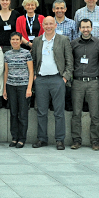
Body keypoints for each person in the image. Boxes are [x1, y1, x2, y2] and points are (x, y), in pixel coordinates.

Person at [31, 16, 73, 150]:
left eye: (51, 24)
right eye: (46, 24)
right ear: (42, 26)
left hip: (57, 79)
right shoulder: (37, 41)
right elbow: (33, 59)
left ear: (55, 25)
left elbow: (69, 61)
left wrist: (65, 78)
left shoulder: (63, 40)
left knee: (59, 112)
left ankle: (60, 140)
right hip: (41, 80)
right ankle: (42, 139)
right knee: (41, 111)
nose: (48, 26)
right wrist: (35, 77)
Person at [70, 19, 99, 151]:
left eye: (88, 27)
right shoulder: (73, 44)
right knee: (76, 113)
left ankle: (95, 141)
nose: (85, 29)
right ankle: (76, 140)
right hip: (77, 82)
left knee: (94, 114)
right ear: (79, 29)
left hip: (93, 82)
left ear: (91, 28)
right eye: (83, 27)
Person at [3, 32, 33, 148]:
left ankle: (22, 138)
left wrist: (29, 88)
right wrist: (5, 89)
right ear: (10, 41)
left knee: (23, 113)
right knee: (13, 113)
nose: (15, 41)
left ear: (21, 41)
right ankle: (14, 137)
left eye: (17, 39)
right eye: (13, 39)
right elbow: (6, 72)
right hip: (11, 86)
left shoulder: (26, 53)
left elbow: (31, 71)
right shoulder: (7, 54)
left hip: (23, 86)